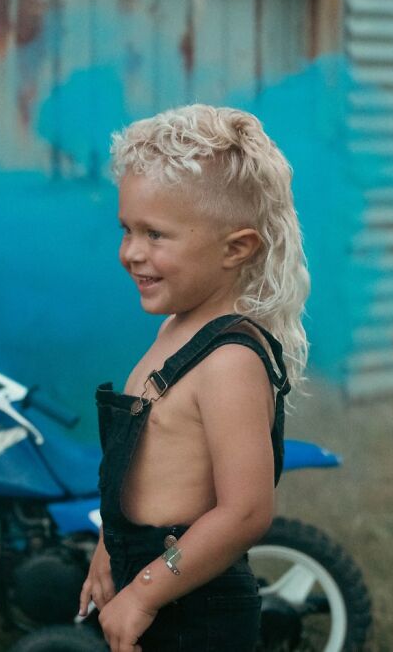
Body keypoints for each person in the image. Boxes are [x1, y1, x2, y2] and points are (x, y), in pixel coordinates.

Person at [78, 104, 309, 651]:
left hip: (196, 608)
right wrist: (109, 548)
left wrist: (145, 593)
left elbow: (245, 512)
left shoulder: (229, 361)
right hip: (155, 578)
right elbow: (139, 471)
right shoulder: (177, 330)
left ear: (237, 248)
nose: (131, 252)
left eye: (155, 235)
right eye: (127, 229)